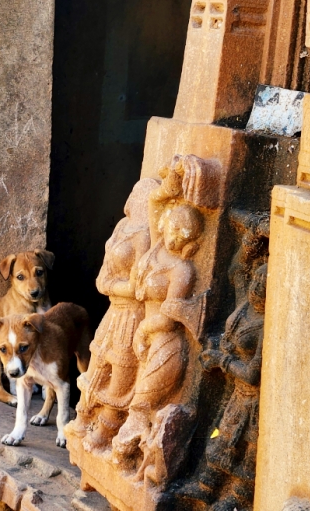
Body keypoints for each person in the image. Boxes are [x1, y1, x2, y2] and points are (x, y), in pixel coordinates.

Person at [111, 201, 203, 472]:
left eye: (183, 236)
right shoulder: (156, 248)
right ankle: (138, 462)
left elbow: (170, 317)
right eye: (173, 229)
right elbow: (155, 203)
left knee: (141, 407)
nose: (174, 239)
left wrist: (143, 330)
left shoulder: (183, 270)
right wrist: (174, 177)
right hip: (145, 344)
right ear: (165, 223)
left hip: (166, 347)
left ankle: (136, 463)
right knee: (138, 407)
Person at [67, 179, 154, 452]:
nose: (132, 198)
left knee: (121, 372)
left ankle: (105, 432)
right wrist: (117, 286)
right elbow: (102, 279)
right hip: (114, 311)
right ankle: (83, 419)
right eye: (134, 192)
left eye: (138, 193)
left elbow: (140, 287)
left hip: (132, 315)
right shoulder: (122, 227)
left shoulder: (145, 235)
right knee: (97, 363)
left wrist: (115, 286)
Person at [179, 264, 267, 511]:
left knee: (248, 452)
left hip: (254, 400)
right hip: (237, 394)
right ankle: (207, 486)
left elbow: (252, 373)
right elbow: (237, 270)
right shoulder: (245, 306)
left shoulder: (267, 325)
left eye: (264, 284)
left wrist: (223, 361)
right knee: (222, 439)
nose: (257, 288)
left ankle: (238, 499)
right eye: (256, 280)